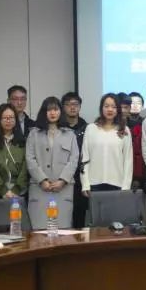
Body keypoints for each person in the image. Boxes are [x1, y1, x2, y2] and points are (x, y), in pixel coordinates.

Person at [26, 97, 79, 229]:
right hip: (40, 189)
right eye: (49, 110)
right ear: (44, 112)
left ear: (61, 112)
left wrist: (63, 180)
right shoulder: (34, 134)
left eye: (55, 109)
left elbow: (74, 159)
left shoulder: (70, 134)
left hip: (63, 189)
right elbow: (30, 159)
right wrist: (42, 180)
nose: (53, 113)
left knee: (62, 231)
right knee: (39, 231)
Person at [80, 94, 133, 196]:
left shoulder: (124, 130)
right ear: (101, 108)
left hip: (117, 184)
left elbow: (128, 160)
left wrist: (126, 186)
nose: (110, 109)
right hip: (93, 184)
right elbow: (85, 158)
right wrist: (85, 183)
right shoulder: (91, 128)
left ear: (118, 109)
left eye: (113, 107)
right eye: (106, 106)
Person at [0, 104, 27, 200]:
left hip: (19, 191)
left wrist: (16, 189)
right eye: (5, 118)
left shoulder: (23, 142)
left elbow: (26, 167)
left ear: (16, 120)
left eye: (11, 117)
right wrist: (3, 190)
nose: (8, 121)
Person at [62, 92, 88, 227]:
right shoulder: (58, 128)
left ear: (80, 106)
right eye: (68, 104)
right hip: (62, 178)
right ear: (63, 107)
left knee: (79, 218)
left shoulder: (88, 128)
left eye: (75, 104)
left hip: (80, 179)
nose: (72, 107)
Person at [127, 92, 146, 190]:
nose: (135, 106)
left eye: (138, 103)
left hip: (143, 168)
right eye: (132, 103)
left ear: (142, 106)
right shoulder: (121, 124)